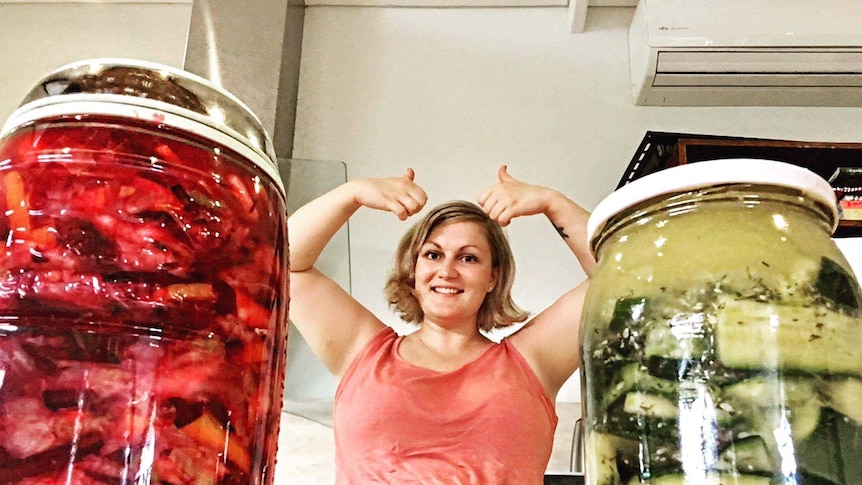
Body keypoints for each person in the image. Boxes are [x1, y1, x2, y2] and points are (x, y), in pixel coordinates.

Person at [288, 165, 595, 484]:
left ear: (493, 277)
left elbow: (623, 275)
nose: (447, 271)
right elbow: (284, 263)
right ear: (413, 270)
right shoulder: (362, 351)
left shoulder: (533, 361)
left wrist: (552, 202)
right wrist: (350, 194)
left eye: (468, 258)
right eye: (433, 255)